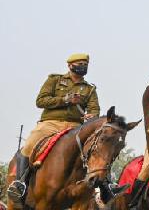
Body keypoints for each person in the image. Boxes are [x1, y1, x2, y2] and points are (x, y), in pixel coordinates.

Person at [7, 54, 122, 202]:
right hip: (51, 122)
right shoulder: (55, 80)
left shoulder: (90, 89)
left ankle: (106, 187)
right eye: (79, 63)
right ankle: (20, 183)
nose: (83, 66)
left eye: (85, 64)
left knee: (101, 146)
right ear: (70, 66)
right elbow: (41, 101)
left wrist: (92, 116)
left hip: (76, 126)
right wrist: (65, 100)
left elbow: (94, 109)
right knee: (30, 143)